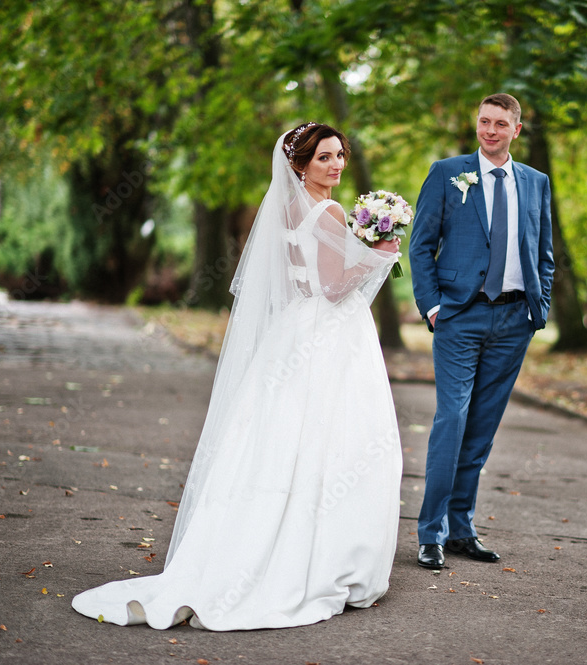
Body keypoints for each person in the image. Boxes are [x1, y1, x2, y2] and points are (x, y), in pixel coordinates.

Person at [71, 123, 403, 630]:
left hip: (294, 333)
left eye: (339, 156)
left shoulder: (286, 209)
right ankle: (325, 560)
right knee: (338, 439)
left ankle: (252, 547)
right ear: (300, 165)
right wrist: (380, 254)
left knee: (281, 441)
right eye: (323, 159)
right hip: (328, 337)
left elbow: (302, 280)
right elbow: (335, 287)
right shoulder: (330, 211)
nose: (336, 166)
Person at [409, 94, 554, 569]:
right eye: (483, 121)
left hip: (514, 322)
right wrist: (432, 307)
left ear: (516, 129)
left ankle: (461, 529)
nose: (489, 130)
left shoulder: (536, 182)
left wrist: (539, 310)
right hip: (459, 317)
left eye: (499, 124)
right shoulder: (448, 173)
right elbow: (421, 246)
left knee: (482, 430)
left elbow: (544, 254)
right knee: (452, 419)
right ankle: (430, 532)